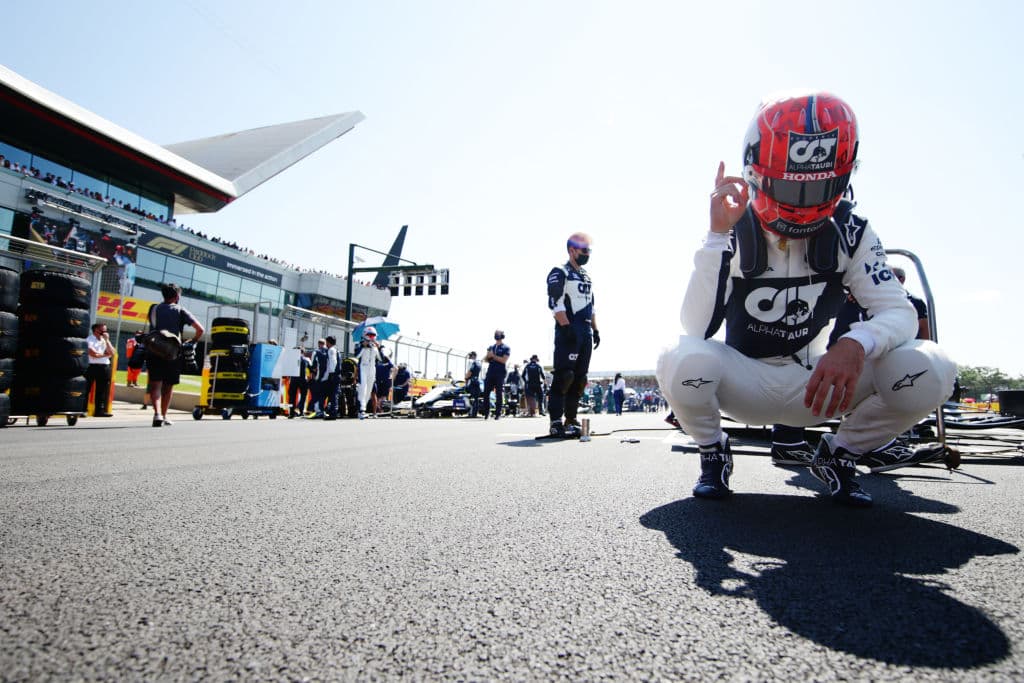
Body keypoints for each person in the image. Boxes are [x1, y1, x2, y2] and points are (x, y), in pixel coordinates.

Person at [655, 91, 956, 507]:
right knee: (681, 359)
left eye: (820, 190)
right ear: (756, 172)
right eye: (790, 190)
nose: (804, 207)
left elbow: (900, 312)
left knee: (931, 368)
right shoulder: (733, 227)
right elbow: (697, 327)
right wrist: (716, 237)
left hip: (814, 386)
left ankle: (841, 455)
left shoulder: (852, 231)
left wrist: (856, 343)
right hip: (743, 383)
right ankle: (713, 449)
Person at [546, 232, 601, 436]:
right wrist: (566, 327)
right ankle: (555, 422)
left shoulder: (586, 276)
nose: (588, 254)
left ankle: (571, 419)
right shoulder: (559, 272)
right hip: (568, 329)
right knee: (564, 377)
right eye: (584, 250)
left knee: (579, 379)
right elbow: (555, 303)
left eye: (589, 250)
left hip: (585, 331)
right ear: (572, 250)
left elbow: (591, 306)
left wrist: (595, 330)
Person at [147, 283, 203, 427]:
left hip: (154, 350)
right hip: (173, 352)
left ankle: (157, 414)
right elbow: (200, 329)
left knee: (155, 385)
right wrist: (193, 340)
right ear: (177, 296)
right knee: (168, 386)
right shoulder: (180, 310)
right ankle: (164, 415)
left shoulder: (153, 309)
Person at [892, 267, 931, 341]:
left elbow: (924, 328)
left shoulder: (916, 302)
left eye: (890, 277)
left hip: (908, 346)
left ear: (901, 279)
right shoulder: (873, 300)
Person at [85, 323, 114, 417]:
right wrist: (106, 354)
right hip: (92, 367)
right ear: (96, 330)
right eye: (103, 330)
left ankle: (99, 411)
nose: (105, 332)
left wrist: (107, 340)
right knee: (86, 389)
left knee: (102, 390)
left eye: (106, 330)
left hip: (104, 367)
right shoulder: (89, 340)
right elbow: (93, 354)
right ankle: (82, 409)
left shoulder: (104, 340)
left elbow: (112, 353)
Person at [356, 327, 384, 419]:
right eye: (369, 335)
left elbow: (381, 359)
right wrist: (363, 346)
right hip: (363, 368)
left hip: (372, 369)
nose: (371, 337)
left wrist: (379, 348)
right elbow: (357, 355)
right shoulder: (359, 344)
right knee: (362, 388)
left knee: (369, 390)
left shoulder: (376, 347)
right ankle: (361, 410)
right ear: (365, 335)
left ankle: (362, 408)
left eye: (373, 335)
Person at [482, 330, 510, 420]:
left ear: (502, 336)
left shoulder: (506, 347)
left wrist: (493, 356)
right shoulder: (491, 347)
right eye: (495, 334)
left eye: (498, 334)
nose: (496, 335)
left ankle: (498, 414)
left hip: (500, 372)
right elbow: (486, 360)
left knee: (498, 393)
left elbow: (504, 360)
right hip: (490, 371)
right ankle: (486, 413)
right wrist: (488, 356)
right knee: (486, 392)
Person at [287, 348, 312, 418]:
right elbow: (311, 368)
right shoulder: (307, 359)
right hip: (303, 380)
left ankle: (292, 412)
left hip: (294, 379)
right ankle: (301, 411)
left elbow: (288, 369)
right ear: (303, 352)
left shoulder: (292, 360)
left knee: (292, 396)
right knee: (303, 396)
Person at [374, 346, 395, 415]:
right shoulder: (377, 361)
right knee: (379, 396)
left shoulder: (387, 362)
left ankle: (380, 408)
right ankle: (378, 408)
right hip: (379, 381)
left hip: (384, 381)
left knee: (382, 396)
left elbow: (394, 367)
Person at [465, 351, 482, 417]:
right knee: (476, 398)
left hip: (471, 382)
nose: (469, 357)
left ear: (474, 356)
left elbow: (470, 372)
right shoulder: (479, 363)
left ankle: (471, 412)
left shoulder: (472, 362)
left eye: (471, 355)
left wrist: (466, 377)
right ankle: (474, 413)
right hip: (476, 381)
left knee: (469, 397)